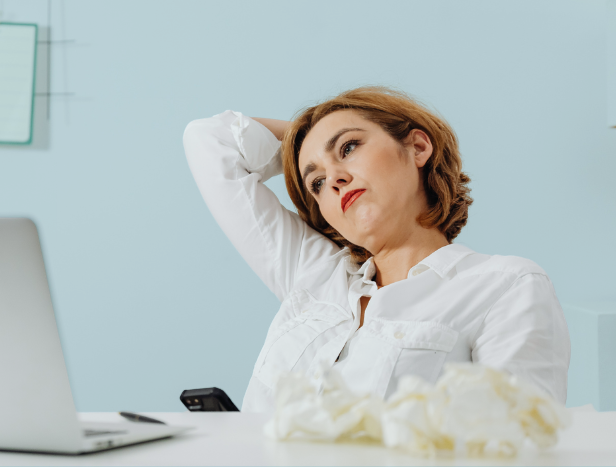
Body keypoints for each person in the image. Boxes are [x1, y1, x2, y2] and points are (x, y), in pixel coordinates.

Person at [182, 86, 570, 412]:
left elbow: (521, 444)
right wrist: (307, 139)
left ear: (418, 146)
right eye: (315, 182)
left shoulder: (505, 286)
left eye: (349, 147)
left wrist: (314, 139)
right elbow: (208, 141)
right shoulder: (314, 273)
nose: (332, 178)